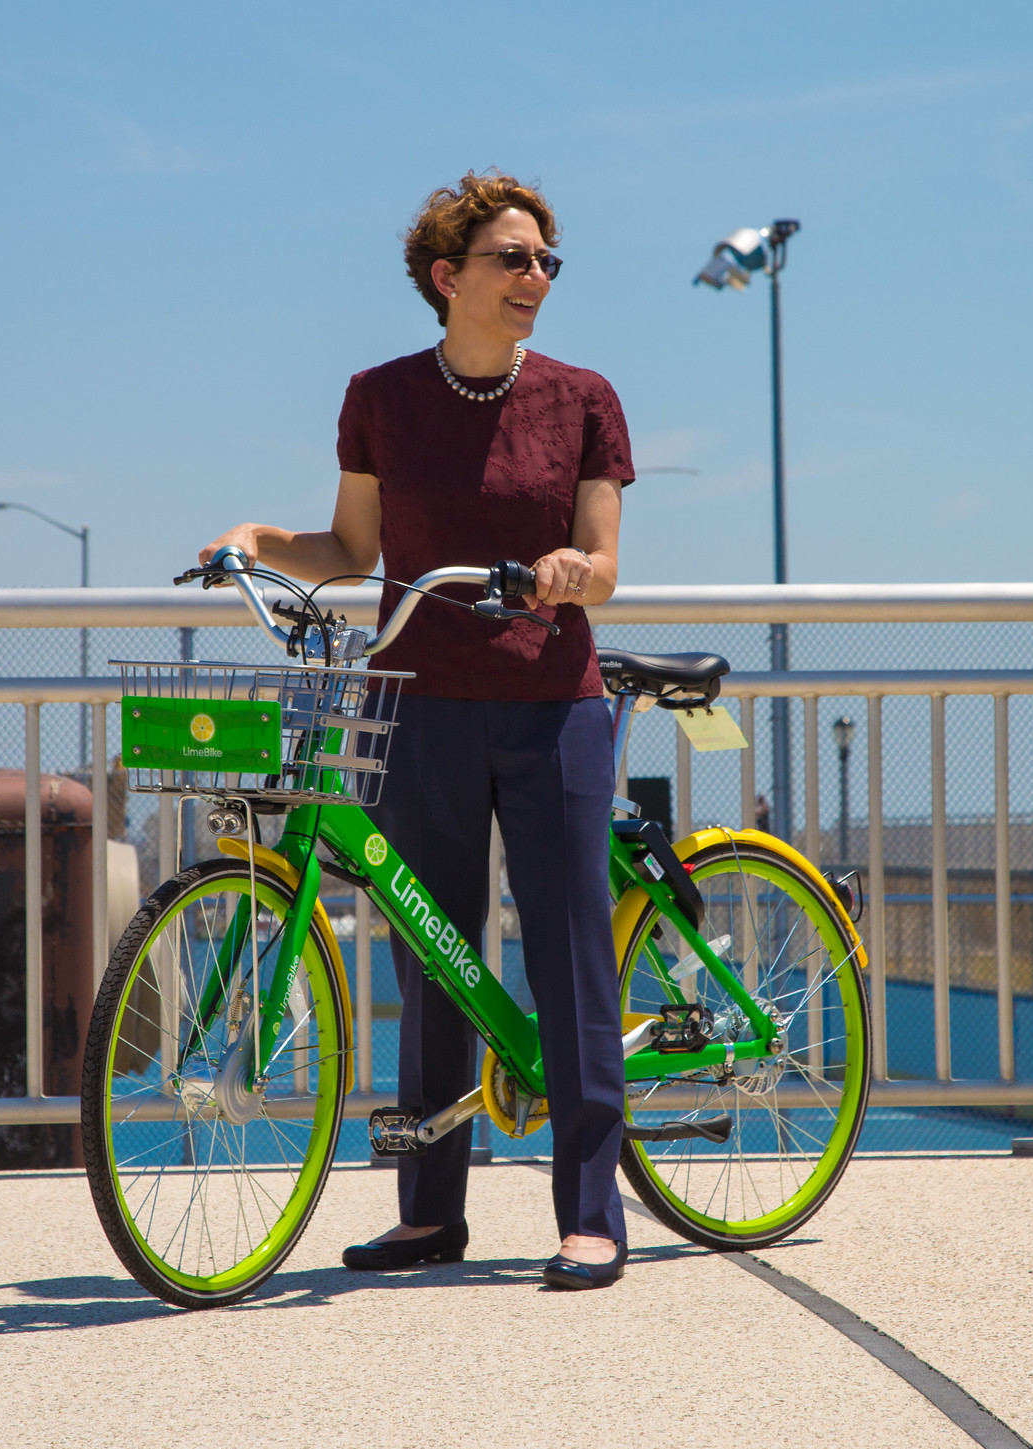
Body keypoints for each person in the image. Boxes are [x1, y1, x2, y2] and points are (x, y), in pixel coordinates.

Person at [200, 170, 634, 1290]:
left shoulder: (582, 398)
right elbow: (348, 550)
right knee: (430, 952)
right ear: (447, 277)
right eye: (511, 258)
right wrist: (255, 536)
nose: (534, 277)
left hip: (551, 706)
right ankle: (428, 1213)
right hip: (420, 706)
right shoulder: (379, 397)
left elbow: (605, 564)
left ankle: (590, 1214)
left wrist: (565, 570)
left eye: (545, 260)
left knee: (568, 957)